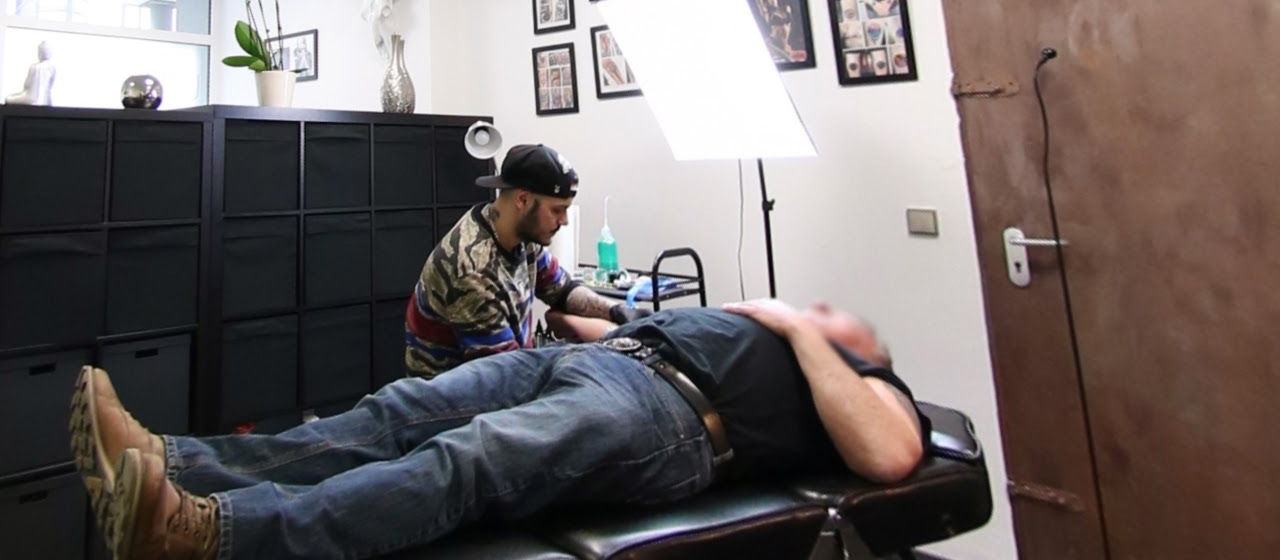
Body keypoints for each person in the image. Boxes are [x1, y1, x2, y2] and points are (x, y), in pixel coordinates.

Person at [70, 298, 929, 560]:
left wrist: (801, 328)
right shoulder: (771, 333)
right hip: (607, 359)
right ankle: (170, 459)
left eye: (834, 311)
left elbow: (889, 455)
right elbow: (615, 324)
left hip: (669, 418)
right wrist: (566, 317)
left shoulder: (866, 380)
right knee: (392, 413)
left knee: (467, 459)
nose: (815, 310)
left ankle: (210, 536)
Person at [402, 143, 622, 378]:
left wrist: (620, 314)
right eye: (557, 210)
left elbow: (563, 291)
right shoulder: (474, 270)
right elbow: (509, 376)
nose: (564, 220)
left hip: (506, 373)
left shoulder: (523, 236)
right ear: (523, 200)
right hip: (450, 403)